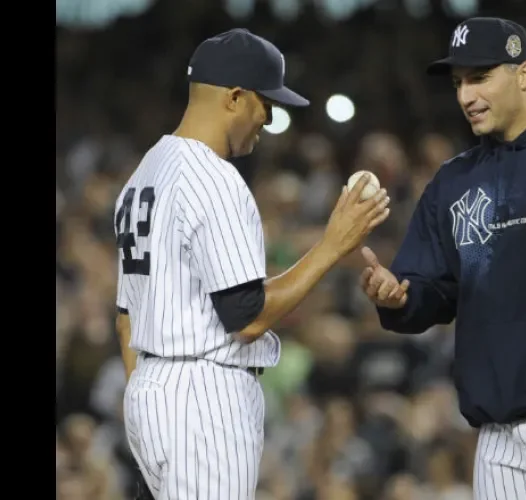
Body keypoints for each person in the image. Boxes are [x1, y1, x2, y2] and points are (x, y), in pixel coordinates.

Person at [358, 17, 526, 500]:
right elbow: (429, 288)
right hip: (495, 437)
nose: (466, 96)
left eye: (480, 77)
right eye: (459, 83)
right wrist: (397, 294)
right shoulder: (455, 181)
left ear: (525, 74)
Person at [113, 28, 390, 499]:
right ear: (235, 97)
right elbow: (247, 315)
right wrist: (332, 245)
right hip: (203, 399)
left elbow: (126, 322)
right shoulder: (214, 177)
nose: (268, 119)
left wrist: (152, 409)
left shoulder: (145, 172)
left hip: (151, 391)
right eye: (266, 104)